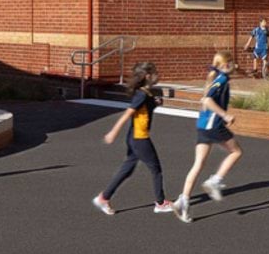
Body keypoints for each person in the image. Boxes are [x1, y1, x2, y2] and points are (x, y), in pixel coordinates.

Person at [92, 61, 174, 215]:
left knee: (127, 169)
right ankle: (161, 203)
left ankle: (103, 198)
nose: (158, 74)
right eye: (156, 72)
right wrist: (113, 132)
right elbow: (128, 113)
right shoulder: (142, 94)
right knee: (156, 169)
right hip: (139, 138)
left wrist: (156, 103)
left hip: (134, 137)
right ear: (148, 76)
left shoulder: (146, 92)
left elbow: (145, 108)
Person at [168, 51, 242, 223]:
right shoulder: (221, 79)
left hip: (202, 126)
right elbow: (207, 100)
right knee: (236, 152)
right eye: (231, 63)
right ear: (225, 65)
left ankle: (183, 202)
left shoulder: (217, 77)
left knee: (198, 164)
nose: (234, 65)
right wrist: (225, 115)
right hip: (213, 125)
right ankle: (215, 181)